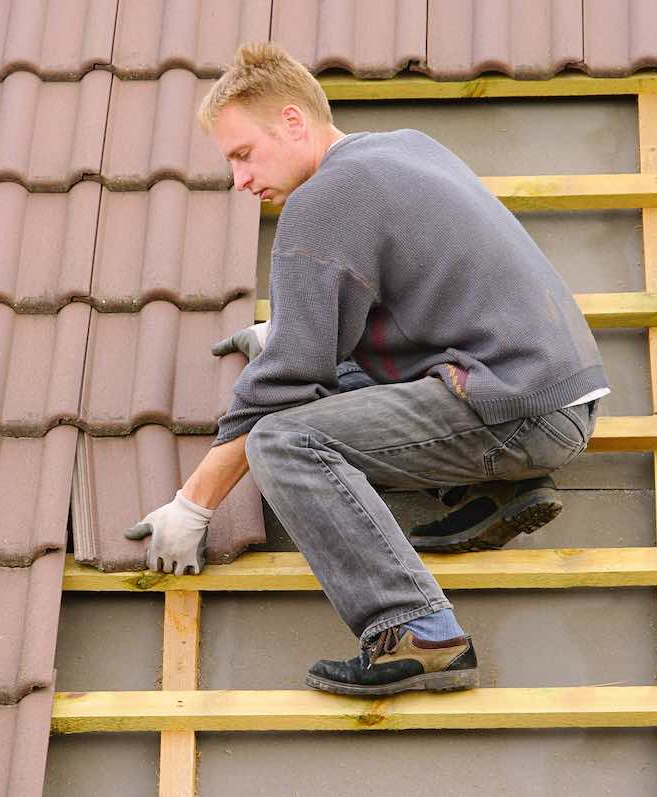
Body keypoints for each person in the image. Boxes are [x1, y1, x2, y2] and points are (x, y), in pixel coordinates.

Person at [123, 42, 609, 697]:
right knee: (337, 388)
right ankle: (496, 493)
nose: (239, 180)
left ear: (292, 122)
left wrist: (194, 504)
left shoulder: (325, 199)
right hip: (552, 392)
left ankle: (417, 632)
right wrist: (290, 327)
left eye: (243, 154)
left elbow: (287, 384)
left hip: (515, 409)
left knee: (284, 440)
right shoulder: (404, 148)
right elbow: (412, 289)